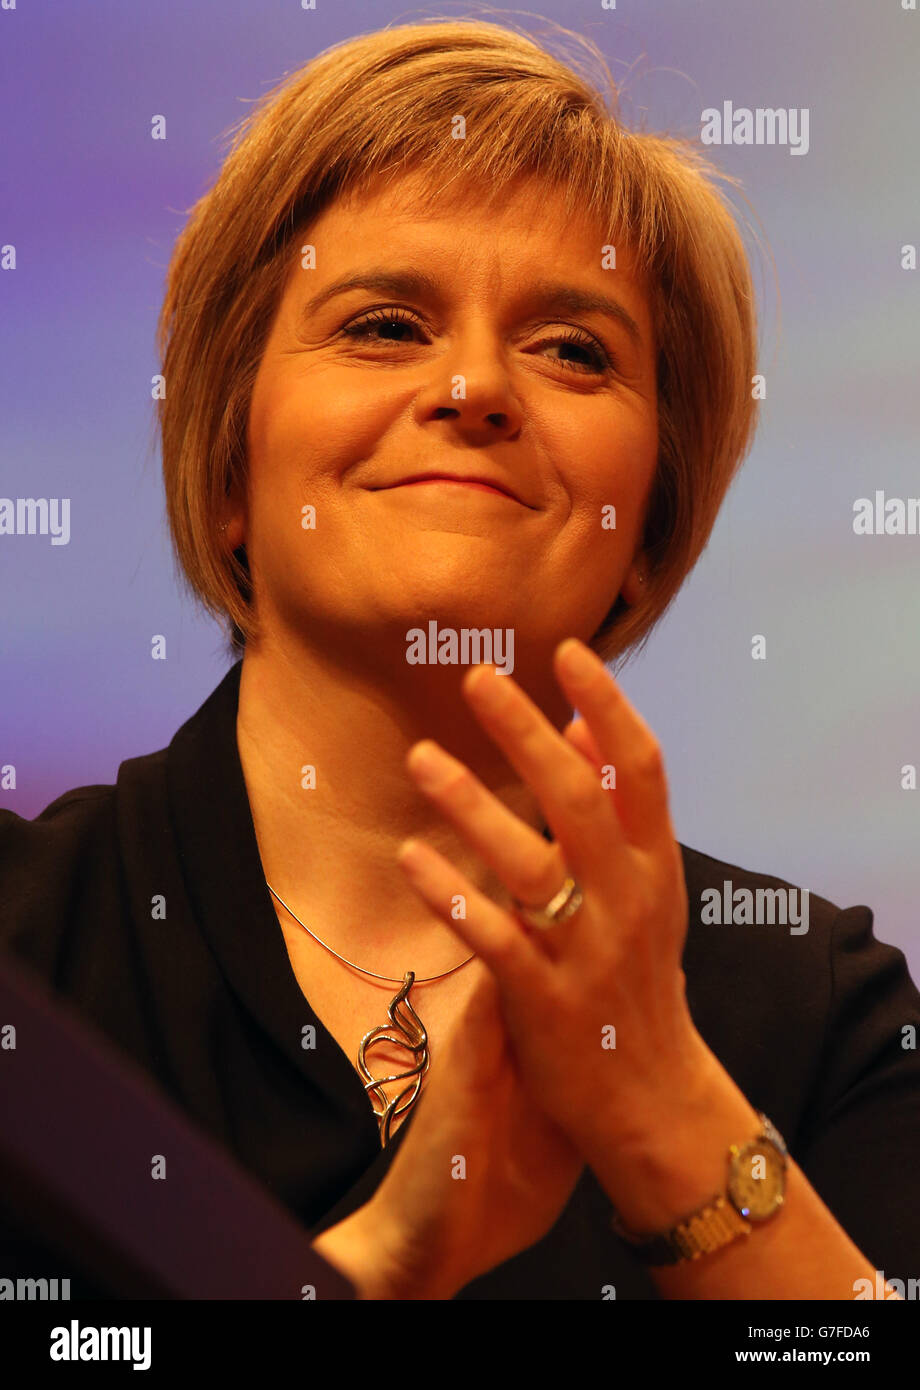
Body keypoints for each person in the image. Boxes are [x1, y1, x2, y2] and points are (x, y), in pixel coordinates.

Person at [2, 17, 918, 1301]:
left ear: (644, 534)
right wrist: (377, 1266)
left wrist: (665, 1114)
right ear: (226, 471)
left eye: (572, 350)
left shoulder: (819, 1007)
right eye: (382, 325)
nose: (477, 385)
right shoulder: (23, 951)